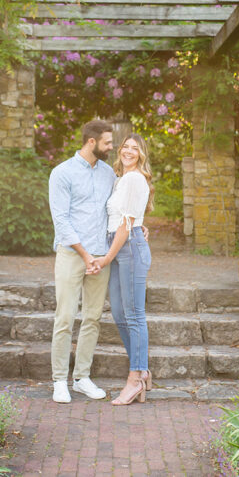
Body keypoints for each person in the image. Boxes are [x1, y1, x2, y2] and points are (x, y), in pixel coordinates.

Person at [48, 119, 116, 403]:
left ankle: (82, 378)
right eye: (107, 143)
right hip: (72, 254)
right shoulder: (62, 173)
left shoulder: (109, 173)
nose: (111, 147)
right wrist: (86, 255)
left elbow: (115, 210)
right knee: (64, 317)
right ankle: (59, 381)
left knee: (93, 317)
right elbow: (61, 220)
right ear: (92, 142)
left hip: (101, 256)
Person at [92, 133, 154, 405]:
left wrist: (106, 258)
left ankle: (134, 379)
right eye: (125, 147)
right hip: (119, 245)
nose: (129, 151)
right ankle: (142, 369)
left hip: (127, 247)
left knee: (134, 315)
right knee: (119, 314)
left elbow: (126, 225)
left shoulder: (134, 178)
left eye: (135, 148)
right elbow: (125, 217)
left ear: (141, 154)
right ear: (120, 151)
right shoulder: (121, 179)